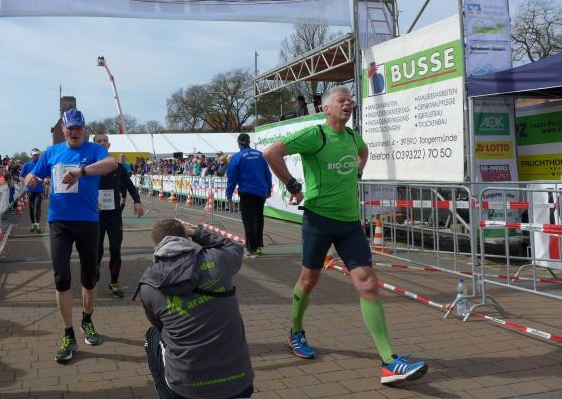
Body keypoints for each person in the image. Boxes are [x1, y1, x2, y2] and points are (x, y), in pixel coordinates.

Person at [262, 86, 427, 385]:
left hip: (350, 223)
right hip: (318, 220)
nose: (348, 104)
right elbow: (271, 153)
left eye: (350, 100)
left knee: (368, 283)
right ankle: (296, 331)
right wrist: (293, 186)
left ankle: (389, 361)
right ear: (326, 108)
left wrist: (358, 173)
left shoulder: (353, 137)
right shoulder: (316, 135)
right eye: (342, 100)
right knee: (308, 280)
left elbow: (364, 151)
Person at [23, 109, 118, 362]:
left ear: (84, 129)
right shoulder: (51, 152)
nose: (74, 132)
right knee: (61, 278)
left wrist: (81, 172)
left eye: (78, 127)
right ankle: (68, 333)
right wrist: (31, 177)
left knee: (89, 277)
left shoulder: (94, 150)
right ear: (63, 130)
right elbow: (34, 175)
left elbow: (112, 164)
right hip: (59, 223)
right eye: (70, 128)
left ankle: (87, 319)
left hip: (88, 221)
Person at [135, 219, 254, 399]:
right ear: (186, 238)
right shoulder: (218, 259)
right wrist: (197, 232)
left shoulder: (149, 284)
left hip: (187, 389)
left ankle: (166, 392)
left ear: (156, 246)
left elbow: (158, 324)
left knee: (153, 335)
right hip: (239, 382)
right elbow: (235, 247)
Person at [92, 133, 145, 298]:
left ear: (109, 145)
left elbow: (130, 185)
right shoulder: (89, 166)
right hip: (96, 216)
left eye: (104, 141)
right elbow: (79, 188)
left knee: (115, 250)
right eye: (98, 141)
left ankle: (114, 284)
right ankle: (93, 275)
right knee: (97, 251)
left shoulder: (118, 167)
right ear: (94, 145)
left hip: (114, 216)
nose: (102, 143)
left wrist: (137, 201)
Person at [225, 133, 272, 257]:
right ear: (249, 142)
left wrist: (229, 194)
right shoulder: (260, 155)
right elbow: (268, 174)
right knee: (259, 218)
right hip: (261, 191)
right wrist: (268, 190)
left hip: (247, 192)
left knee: (248, 220)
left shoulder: (237, 157)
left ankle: (252, 249)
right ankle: (259, 246)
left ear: (238, 143)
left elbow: (232, 178)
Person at [19, 148, 45, 233]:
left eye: (37, 155)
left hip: (39, 189)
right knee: (31, 207)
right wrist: (26, 180)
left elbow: (46, 175)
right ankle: (33, 224)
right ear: (31, 155)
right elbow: (20, 177)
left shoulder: (42, 164)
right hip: (30, 190)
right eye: (34, 155)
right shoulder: (26, 165)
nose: (35, 156)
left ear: (39, 155)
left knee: (37, 206)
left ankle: (37, 224)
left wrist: (44, 179)